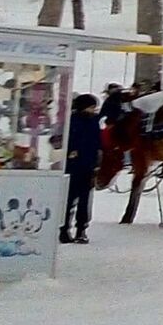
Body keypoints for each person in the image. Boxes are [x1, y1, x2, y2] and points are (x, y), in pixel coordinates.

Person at [60, 94, 102, 244]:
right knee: (69, 199)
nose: (93, 110)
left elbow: (97, 142)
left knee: (84, 199)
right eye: (91, 107)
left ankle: (81, 228)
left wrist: (96, 162)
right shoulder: (72, 121)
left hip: (87, 165)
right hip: (73, 165)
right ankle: (64, 228)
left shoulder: (93, 121)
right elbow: (65, 139)